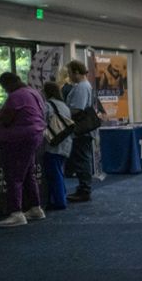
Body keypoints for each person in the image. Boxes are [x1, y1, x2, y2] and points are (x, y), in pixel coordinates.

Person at [0, 72, 46, 227]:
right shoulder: (33, 92)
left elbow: (7, 118)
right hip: (34, 136)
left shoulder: (16, 96)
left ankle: (16, 212)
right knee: (28, 172)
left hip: (18, 139)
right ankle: (35, 207)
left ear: (8, 84)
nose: (5, 90)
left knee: (14, 175)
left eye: (4, 87)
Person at [63, 60, 98, 203]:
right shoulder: (85, 86)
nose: (69, 75)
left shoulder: (81, 88)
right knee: (83, 158)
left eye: (70, 72)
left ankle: (84, 190)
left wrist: (63, 112)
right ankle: (84, 188)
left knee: (82, 159)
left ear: (76, 72)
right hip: (83, 130)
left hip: (80, 130)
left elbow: (77, 108)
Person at [41, 81, 72, 210]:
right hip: (65, 141)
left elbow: (42, 122)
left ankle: (59, 201)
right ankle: (61, 197)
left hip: (53, 143)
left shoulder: (47, 106)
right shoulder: (64, 106)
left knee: (54, 173)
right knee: (59, 171)